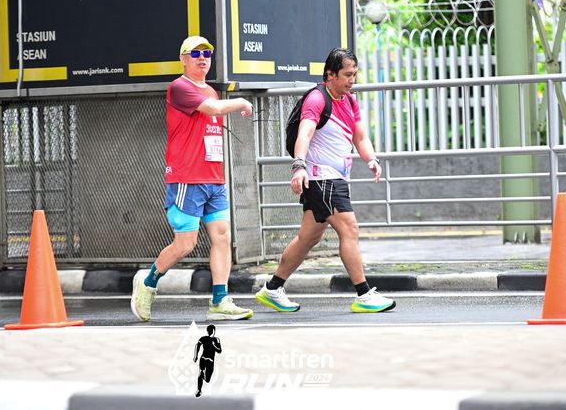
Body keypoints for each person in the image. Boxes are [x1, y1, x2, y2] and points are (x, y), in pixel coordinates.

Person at [255, 48, 396, 314]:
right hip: (323, 179)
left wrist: (371, 159)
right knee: (350, 229)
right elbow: (305, 134)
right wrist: (299, 166)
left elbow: (360, 137)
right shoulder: (317, 99)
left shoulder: (349, 101)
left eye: (354, 74)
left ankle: (273, 288)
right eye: (347, 75)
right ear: (330, 74)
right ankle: (364, 294)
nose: (352, 80)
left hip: (334, 178)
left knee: (307, 238)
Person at [131, 35, 254, 322]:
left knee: (222, 236)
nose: (202, 58)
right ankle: (147, 283)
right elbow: (213, 110)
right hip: (187, 178)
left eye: (207, 53)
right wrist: (239, 101)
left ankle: (220, 301)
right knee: (185, 243)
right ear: (183, 59)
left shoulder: (210, 90)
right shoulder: (180, 87)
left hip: (214, 179)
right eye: (195, 53)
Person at [193, 324, 221, 397]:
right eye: (212, 331)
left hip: (206, 360)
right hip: (207, 360)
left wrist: (196, 356)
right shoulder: (208, 339)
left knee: (206, 378)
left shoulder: (214, 339)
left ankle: (200, 385)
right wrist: (195, 355)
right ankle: (199, 389)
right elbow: (197, 345)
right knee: (203, 375)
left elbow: (219, 350)